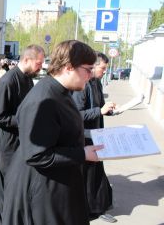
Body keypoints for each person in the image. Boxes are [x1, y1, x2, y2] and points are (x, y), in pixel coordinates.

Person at [2, 40, 104, 225]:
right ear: (68, 67)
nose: (91, 75)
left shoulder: (60, 91)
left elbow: (64, 129)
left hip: (55, 186)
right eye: (88, 69)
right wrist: (82, 153)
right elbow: (37, 154)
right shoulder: (43, 100)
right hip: (42, 193)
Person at [0, 45, 45, 224]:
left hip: (20, 139)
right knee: (8, 184)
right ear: (26, 60)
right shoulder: (7, 81)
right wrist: (27, 120)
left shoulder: (27, 78)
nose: (40, 68)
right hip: (7, 143)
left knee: (19, 184)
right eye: (38, 64)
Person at [72, 52, 117, 223]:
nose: (105, 71)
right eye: (103, 68)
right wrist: (100, 111)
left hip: (97, 135)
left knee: (97, 175)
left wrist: (109, 111)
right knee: (88, 177)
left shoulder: (97, 83)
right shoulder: (82, 86)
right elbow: (76, 114)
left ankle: (98, 208)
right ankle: (89, 210)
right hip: (85, 138)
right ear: (94, 66)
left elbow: (99, 108)